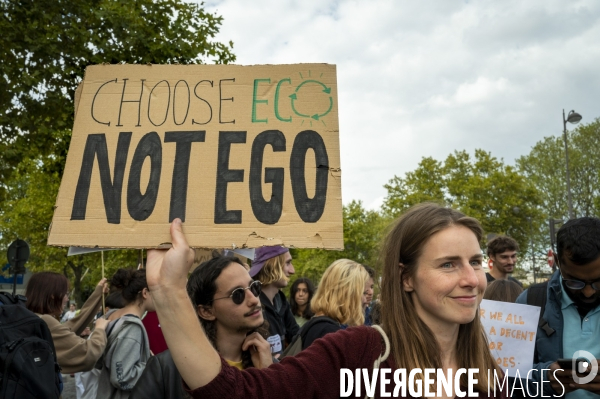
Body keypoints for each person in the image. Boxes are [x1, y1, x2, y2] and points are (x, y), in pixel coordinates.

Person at [146, 203, 507, 398]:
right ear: (406, 278)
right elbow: (239, 392)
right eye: (448, 264)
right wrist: (169, 292)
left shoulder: (491, 374)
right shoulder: (360, 353)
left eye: (475, 262)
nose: (470, 279)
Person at [130, 255, 274, 399]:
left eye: (254, 287)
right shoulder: (166, 369)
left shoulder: (266, 361)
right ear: (206, 311)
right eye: (238, 294)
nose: (254, 300)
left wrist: (268, 380)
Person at [516, 217, 600, 398]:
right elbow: (507, 378)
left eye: (598, 282)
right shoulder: (531, 301)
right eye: (574, 282)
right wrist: (545, 379)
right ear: (557, 261)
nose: (587, 292)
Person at [25, 272, 109, 374]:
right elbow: (87, 354)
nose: (67, 299)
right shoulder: (45, 321)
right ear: (52, 295)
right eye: (66, 293)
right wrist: (99, 330)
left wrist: (99, 294)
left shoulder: (29, 317)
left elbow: (71, 326)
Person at [95, 268, 153, 399]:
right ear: (145, 293)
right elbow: (122, 378)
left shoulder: (111, 316)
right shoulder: (132, 327)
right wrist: (152, 365)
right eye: (155, 291)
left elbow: (98, 361)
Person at [299, 259, 368, 350]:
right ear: (347, 294)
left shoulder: (319, 324)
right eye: (362, 293)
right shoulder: (328, 332)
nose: (364, 299)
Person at [248, 246, 299, 356]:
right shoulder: (251, 305)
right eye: (288, 263)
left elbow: (297, 336)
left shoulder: (280, 300)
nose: (292, 270)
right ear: (272, 266)